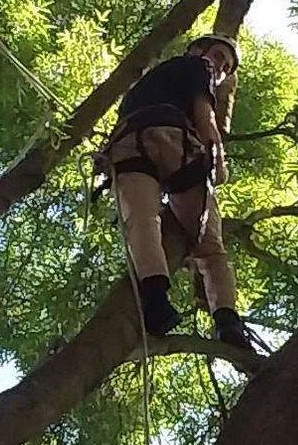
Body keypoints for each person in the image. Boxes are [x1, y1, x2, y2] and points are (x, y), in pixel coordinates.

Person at [99, 34, 263, 358]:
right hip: (174, 144)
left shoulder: (147, 85)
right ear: (198, 51)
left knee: (141, 221)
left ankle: (155, 300)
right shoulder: (196, 67)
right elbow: (206, 119)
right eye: (218, 57)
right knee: (210, 248)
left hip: (128, 145)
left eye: (225, 66)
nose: (218, 66)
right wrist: (218, 163)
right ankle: (227, 320)